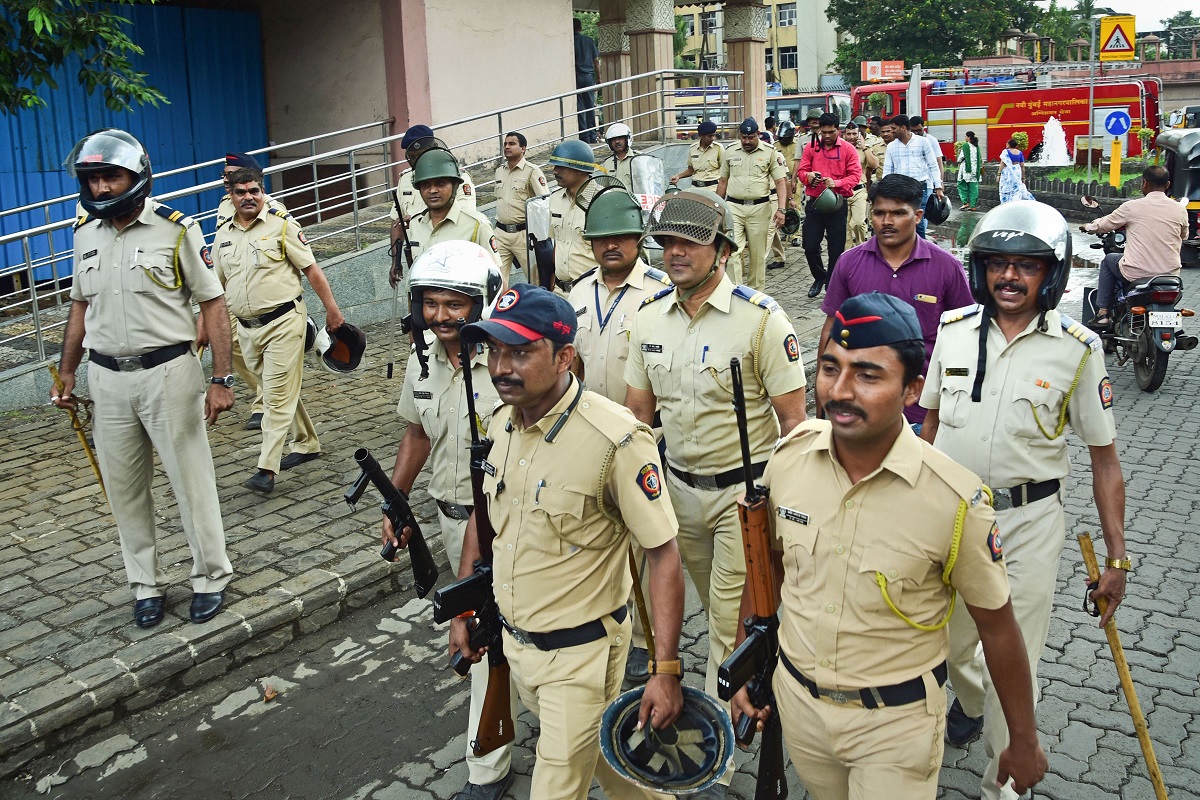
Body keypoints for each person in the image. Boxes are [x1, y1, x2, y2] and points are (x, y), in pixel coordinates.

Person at [732, 292, 1047, 800]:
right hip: (799, 707)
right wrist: (744, 660)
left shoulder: (953, 499)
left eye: (868, 375)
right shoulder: (788, 460)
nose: (840, 390)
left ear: (913, 389)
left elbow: (998, 626)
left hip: (894, 727)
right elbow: (766, 565)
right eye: (829, 368)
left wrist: (1023, 740)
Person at [920, 202, 1128, 800]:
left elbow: (1105, 459)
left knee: (1015, 660)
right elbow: (927, 428)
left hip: (1028, 525)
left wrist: (1117, 560)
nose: (1009, 278)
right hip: (950, 519)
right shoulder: (954, 331)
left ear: (1051, 275)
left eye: (1027, 267)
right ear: (982, 268)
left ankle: (1004, 782)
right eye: (999, 265)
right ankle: (982, 706)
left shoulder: (1079, 349)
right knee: (957, 653)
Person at [451, 284, 686, 800]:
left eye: (520, 351)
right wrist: (464, 611)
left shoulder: (616, 440)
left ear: (564, 357)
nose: (500, 367)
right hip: (516, 646)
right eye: (493, 350)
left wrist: (665, 670)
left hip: (581, 658)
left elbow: (664, 553)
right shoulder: (501, 425)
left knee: (558, 781)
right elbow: (483, 519)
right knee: (602, 756)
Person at [624, 190, 808, 798]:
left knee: (728, 625)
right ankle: (762, 674)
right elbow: (638, 419)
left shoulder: (761, 319)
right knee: (706, 608)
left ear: (723, 251)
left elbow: (795, 427)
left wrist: (788, 515)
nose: (674, 252)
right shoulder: (647, 318)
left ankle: (715, 764)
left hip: (741, 502)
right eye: (667, 242)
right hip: (678, 496)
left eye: (690, 242)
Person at [56, 128, 234, 628]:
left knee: (189, 481)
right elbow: (79, 307)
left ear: (137, 176)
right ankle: (145, 584)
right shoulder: (84, 235)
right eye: (92, 180)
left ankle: (210, 576)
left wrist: (222, 377)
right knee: (124, 488)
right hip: (106, 378)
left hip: (170, 373)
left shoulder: (176, 230)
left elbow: (213, 302)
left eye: (111, 177)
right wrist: (68, 371)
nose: (100, 189)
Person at [381, 242, 512, 800]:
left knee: (501, 640)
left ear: (482, 302)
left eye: (455, 303)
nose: (441, 317)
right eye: (430, 304)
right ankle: (493, 759)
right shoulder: (421, 361)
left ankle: (507, 762)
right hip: (450, 520)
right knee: (483, 643)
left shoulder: (510, 357)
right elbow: (416, 434)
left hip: (509, 522)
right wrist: (396, 500)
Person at [569, 187, 673, 683]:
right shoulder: (577, 293)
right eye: (601, 239)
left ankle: (647, 641)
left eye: (621, 237)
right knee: (606, 539)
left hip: (645, 438)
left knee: (646, 541)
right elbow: (575, 366)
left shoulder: (659, 291)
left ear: (638, 239)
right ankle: (613, 627)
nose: (611, 246)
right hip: (591, 438)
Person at [213, 168, 346, 494]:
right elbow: (215, 288)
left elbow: (311, 269)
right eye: (241, 192)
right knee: (279, 388)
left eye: (254, 191)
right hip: (247, 331)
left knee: (274, 394)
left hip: (284, 323)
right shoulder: (223, 235)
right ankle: (306, 441)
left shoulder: (282, 225)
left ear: (263, 192)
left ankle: (266, 468)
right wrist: (205, 325)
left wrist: (332, 308)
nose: (248, 197)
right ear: (231, 196)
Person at [819, 175, 974, 431]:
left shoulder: (946, 267)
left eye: (898, 213)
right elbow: (830, 329)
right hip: (861, 406)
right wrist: (823, 403)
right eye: (879, 213)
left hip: (923, 412)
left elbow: (966, 336)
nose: (887, 222)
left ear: (918, 215)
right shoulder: (849, 263)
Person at [215, 152, 286, 431]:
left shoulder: (272, 208)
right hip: (234, 289)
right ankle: (267, 392)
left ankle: (265, 401)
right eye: (225, 173)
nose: (225, 177)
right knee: (230, 345)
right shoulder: (225, 204)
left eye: (231, 173)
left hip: (262, 291)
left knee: (263, 350)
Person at [1082, 165, 1189, 328]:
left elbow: (1105, 224)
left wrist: (1088, 226)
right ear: (1167, 185)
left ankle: (1103, 313)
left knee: (1109, 260)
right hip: (1170, 275)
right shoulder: (1179, 210)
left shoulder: (1132, 207)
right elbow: (1184, 235)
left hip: (1136, 272)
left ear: (1144, 183)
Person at [715, 117, 788, 290]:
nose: (747, 141)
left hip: (760, 208)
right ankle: (735, 290)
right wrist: (716, 208)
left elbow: (780, 182)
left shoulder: (770, 152)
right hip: (734, 207)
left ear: (758, 135)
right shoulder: (730, 151)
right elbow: (723, 181)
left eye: (751, 137)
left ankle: (755, 293)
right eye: (743, 137)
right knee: (733, 251)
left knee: (757, 255)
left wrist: (782, 210)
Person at [796, 112, 863, 298]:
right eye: (823, 132)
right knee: (809, 246)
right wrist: (808, 177)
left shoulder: (848, 149)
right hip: (815, 204)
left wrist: (837, 183)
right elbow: (802, 171)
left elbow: (855, 176)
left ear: (838, 130)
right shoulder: (811, 148)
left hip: (837, 204)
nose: (826, 136)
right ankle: (820, 276)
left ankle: (832, 284)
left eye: (830, 132)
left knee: (836, 248)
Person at [405, 148, 500, 273]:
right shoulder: (416, 224)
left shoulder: (476, 225)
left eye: (441, 183)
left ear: (454, 186)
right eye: (426, 185)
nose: (432, 190)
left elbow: (497, 276)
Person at [389, 125, 476, 229]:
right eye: (413, 157)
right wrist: (396, 245)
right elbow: (397, 220)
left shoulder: (456, 177)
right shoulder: (405, 179)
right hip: (415, 244)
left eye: (421, 155)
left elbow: (466, 217)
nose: (418, 161)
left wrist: (416, 220)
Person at [493, 131, 550, 282]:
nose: (507, 147)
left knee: (534, 280)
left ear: (523, 148)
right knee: (497, 280)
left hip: (524, 235)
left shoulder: (532, 171)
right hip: (501, 233)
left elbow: (544, 203)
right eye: (505, 144)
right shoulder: (499, 171)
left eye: (512, 144)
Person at [547, 139, 600, 295]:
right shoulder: (555, 199)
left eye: (562, 167)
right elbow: (558, 242)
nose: (555, 171)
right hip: (560, 291)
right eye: (555, 166)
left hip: (591, 292)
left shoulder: (602, 200)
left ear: (580, 169)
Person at [883, 115, 944, 239]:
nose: (892, 131)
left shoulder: (923, 142)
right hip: (900, 190)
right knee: (902, 219)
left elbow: (933, 165)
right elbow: (888, 171)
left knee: (919, 221)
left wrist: (938, 186)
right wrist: (885, 190)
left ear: (903, 128)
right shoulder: (891, 147)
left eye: (894, 128)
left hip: (920, 187)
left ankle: (921, 249)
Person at [843, 122, 879, 249]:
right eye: (849, 134)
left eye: (854, 134)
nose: (851, 136)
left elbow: (874, 165)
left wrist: (864, 147)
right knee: (844, 226)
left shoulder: (865, 149)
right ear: (844, 135)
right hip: (842, 191)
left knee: (858, 222)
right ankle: (847, 254)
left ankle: (862, 247)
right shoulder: (839, 149)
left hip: (859, 190)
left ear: (859, 134)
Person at [669, 118, 724, 189]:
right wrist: (678, 176)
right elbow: (691, 170)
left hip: (713, 187)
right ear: (701, 136)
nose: (712, 138)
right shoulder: (693, 148)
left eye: (714, 135)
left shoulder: (718, 148)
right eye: (710, 136)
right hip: (695, 187)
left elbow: (725, 171)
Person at [573, 17, 601, 144]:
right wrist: (599, 78)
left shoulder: (570, 41)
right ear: (580, 28)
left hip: (576, 76)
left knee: (580, 107)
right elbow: (596, 61)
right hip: (588, 76)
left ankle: (583, 136)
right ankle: (592, 135)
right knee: (590, 106)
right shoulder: (589, 41)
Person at [600, 122, 638, 190]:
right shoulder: (607, 163)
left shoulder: (639, 159)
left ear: (627, 139)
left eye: (620, 138)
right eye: (613, 139)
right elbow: (603, 188)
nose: (617, 141)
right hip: (614, 199)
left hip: (633, 200)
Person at [998, 139, 1034, 204]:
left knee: (1005, 189)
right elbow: (1022, 166)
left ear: (1009, 144)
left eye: (1007, 143)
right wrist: (1023, 178)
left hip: (1007, 173)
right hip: (1017, 172)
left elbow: (1002, 164)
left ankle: (1006, 203)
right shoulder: (1020, 153)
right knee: (1016, 189)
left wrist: (999, 174)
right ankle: (1016, 203)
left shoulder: (1005, 152)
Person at [956, 131, 982, 211]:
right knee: (973, 188)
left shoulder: (965, 146)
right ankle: (973, 206)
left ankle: (965, 202)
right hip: (975, 170)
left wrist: (959, 160)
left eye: (966, 136)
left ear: (969, 137)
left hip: (966, 169)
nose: (965, 138)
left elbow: (960, 158)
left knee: (961, 184)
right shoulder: (977, 147)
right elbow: (980, 158)